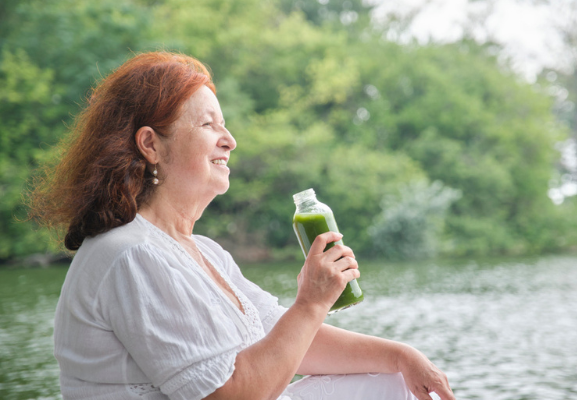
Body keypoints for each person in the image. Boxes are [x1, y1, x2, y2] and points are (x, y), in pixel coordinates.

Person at [29, 51, 455, 400]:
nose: (229, 139)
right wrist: (310, 302)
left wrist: (401, 356)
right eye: (208, 124)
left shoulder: (203, 251)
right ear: (150, 145)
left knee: (392, 381)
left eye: (225, 125)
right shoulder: (130, 255)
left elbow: (287, 340)